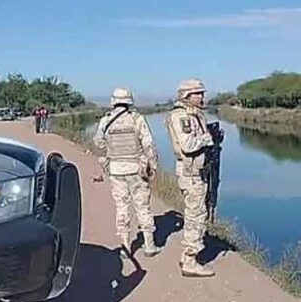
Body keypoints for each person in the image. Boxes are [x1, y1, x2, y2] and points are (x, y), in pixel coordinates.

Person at [94, 87, 161, 259]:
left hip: (116, 170)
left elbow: (98, 143)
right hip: (137, 169)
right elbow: (149, 145)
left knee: (121, 207)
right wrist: (152, 166)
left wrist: (106, 162)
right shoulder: (136, 119)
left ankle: (125, 247)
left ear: (113, 101)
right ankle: (149, 245)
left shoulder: (105, 121)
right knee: (142, 207)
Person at [165, 78, 220, 277]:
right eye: (198, 93)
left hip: (197, 171)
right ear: (186, 95)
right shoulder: (182, 116)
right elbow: (188, 145)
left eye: (202, 93)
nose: (202, 97)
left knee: (196, 213)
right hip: (191, 174)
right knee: (196, 216)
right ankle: (190, 260)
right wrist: (207, 139)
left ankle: (189, 255)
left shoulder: (195, 114)